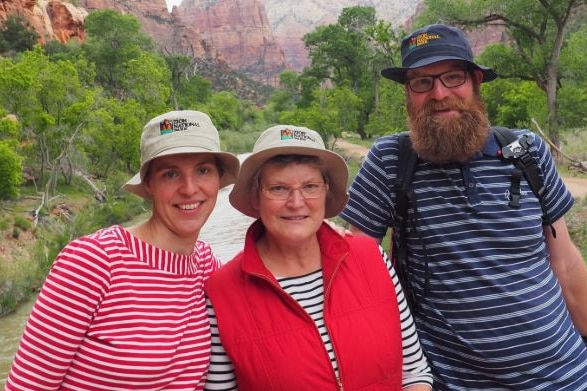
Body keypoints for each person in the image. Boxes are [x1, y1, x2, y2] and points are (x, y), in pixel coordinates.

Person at [340, 23, 587, 389]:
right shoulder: (390, 160)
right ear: (408, 93)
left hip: (567, 375)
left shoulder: (527, 151)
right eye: (422, 82)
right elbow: (354, 271)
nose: (439, 94)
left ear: (475, 82)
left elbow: (565, 263)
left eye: (453, 77)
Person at [4, 110, 240, 391]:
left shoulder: (206, 266)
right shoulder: (92, 262)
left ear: (218, 180)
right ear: (149, 184)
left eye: (203, 170)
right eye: (170, 174)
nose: (189, 189)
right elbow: (28, 386)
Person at [203, 125, 433, 390]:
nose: (296, 202)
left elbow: (414, 371)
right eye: (278, 188)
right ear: (256, 197)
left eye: (310, 186)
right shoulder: (222, 293)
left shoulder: (371, 258)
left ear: (326, 191)